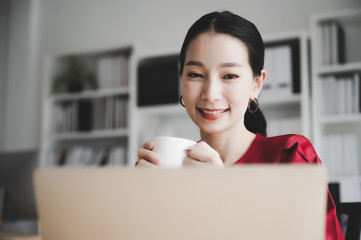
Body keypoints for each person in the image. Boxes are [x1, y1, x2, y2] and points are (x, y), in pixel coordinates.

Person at [136, 11, 344, 239]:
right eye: (195, 74)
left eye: (230, 76)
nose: (211, 94)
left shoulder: (289, 156)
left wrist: (223, 196)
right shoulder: (168, 168)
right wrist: (135, 201)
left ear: (256, 85)